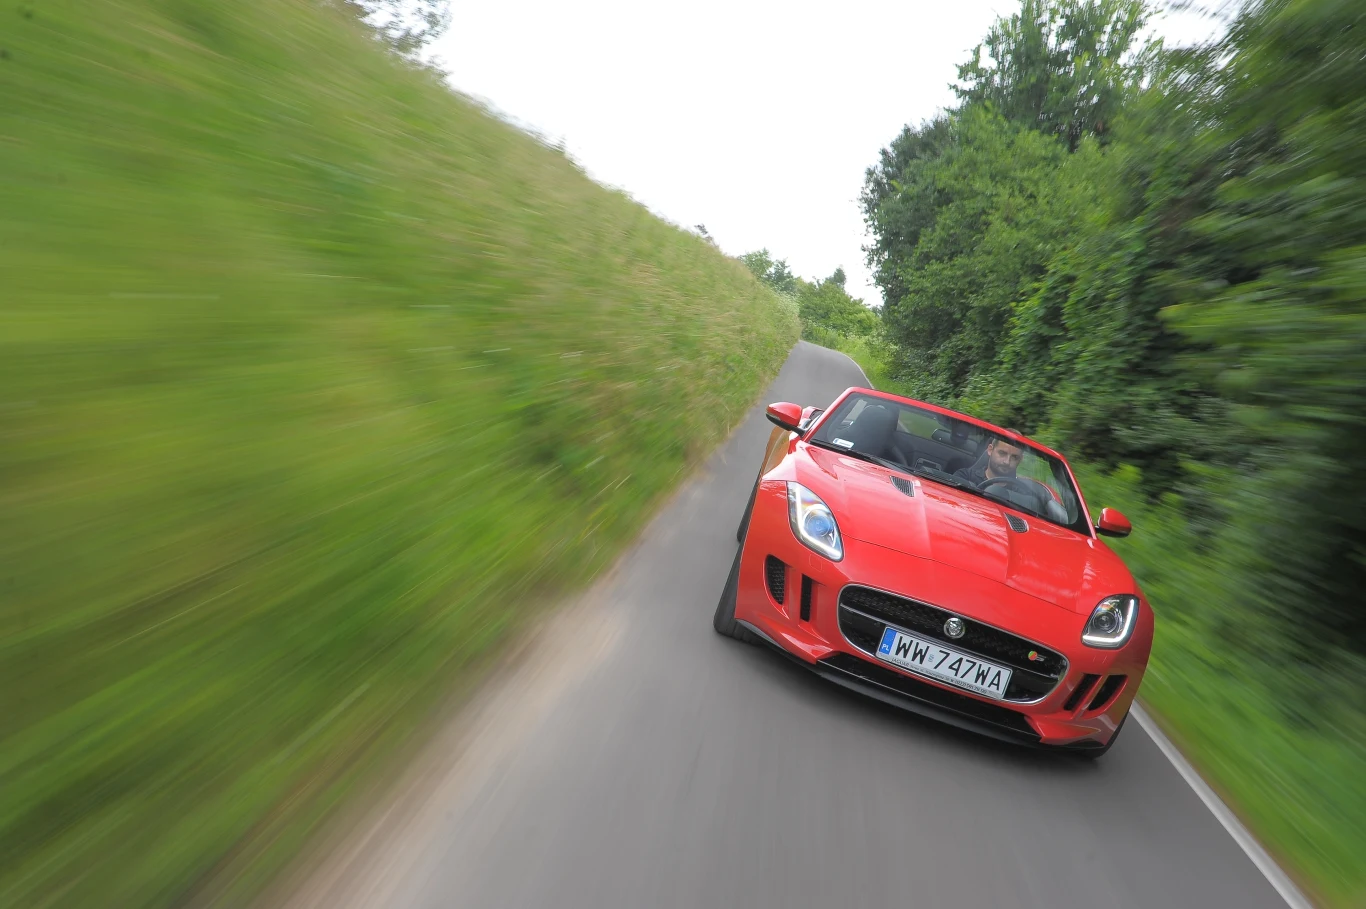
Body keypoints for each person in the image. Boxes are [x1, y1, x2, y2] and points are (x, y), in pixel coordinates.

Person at [954, 431, 1025, 487]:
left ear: (1020, 460)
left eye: (1014, 457)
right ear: (990, 450)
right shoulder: (965, 477)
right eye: (1002, 453)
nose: (1007, 462)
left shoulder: (1021, 494)